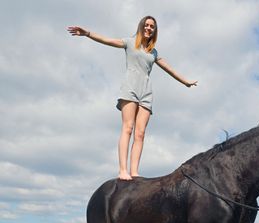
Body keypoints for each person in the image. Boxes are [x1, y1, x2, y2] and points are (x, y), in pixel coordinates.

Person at [67, 16, 197, 180]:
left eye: (152, 27)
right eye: (147, 25)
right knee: (128, 128)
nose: (149, 28)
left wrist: (186, 82)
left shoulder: (153, 52)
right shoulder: (129, 42)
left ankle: (134, 171)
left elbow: (169, 69)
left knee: (140, 134)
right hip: (130, 88)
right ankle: (123, 170)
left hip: (146, 92)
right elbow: (106, 40)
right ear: (142, 25)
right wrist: (87, 33)